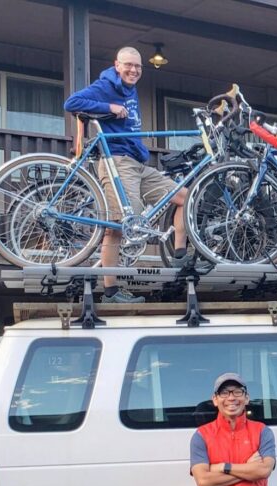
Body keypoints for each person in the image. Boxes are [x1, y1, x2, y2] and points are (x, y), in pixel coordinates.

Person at [64, 46, 189, 304]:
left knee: (185, 197)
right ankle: (110, 291)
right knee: (122, 225)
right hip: (117, 162)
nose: (133, 70)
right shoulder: (106, 85)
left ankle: (180, 254)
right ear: (117, 65)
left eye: (138, 66)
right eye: (128, 65)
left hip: (137, 162)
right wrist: (108, 106)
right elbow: (72, 103)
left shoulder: (130, 89)